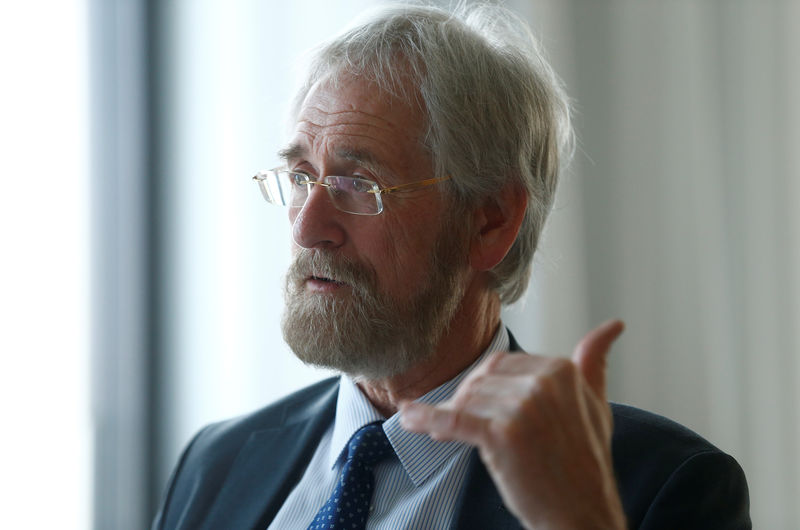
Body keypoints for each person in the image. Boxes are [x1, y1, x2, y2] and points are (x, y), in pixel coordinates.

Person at [152, 4, 750, 529]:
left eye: (359, 184)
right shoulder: (217, 463)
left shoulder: (658, 488)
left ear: (490, 220)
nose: (308, 227)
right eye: (303, 177)